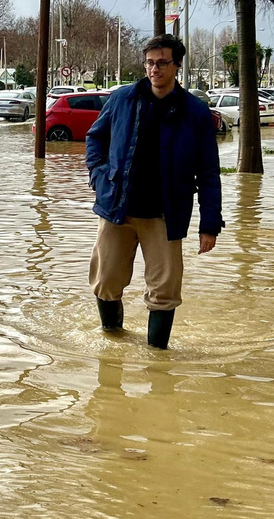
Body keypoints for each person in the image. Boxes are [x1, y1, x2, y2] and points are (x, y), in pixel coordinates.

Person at [85, 34, 223, 349]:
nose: (154, 69)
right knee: (106, 280)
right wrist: (99, 176)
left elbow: (208, 172)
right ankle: (113, 346)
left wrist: (209, 225)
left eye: (162, 63)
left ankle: (157, 360)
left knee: (165, 290)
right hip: (117, 207)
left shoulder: (195, 112)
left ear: (177, 65)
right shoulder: (123, 99)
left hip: (165, 214)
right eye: (149, 62)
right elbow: (95, 138)